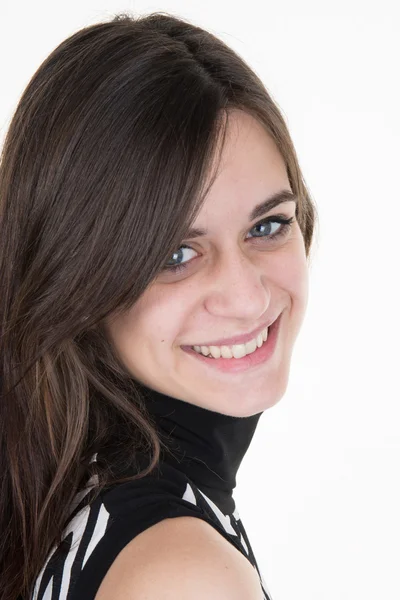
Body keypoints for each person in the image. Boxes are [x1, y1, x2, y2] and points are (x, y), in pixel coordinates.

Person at [0, 11, 318, 600]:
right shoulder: (181, 573)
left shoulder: (81, 497)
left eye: (269, 225)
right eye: (175, 254)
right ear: (79, 282)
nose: (248, 297)